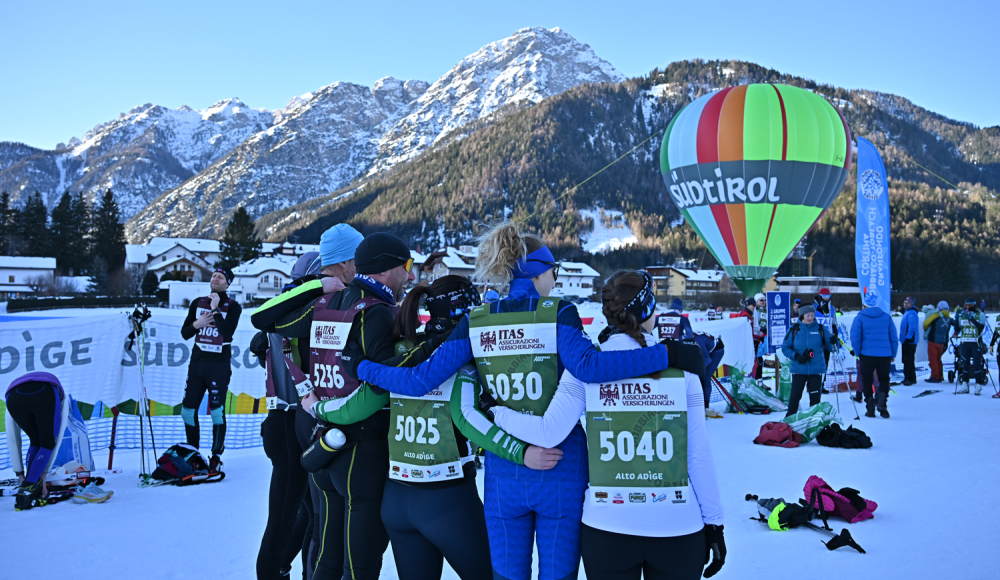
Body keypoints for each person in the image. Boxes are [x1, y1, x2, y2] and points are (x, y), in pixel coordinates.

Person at [342, 221, 674, 580]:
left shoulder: (477, 319)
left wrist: (363, 367)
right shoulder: (559, 312)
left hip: (504, 469)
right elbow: (590, 367)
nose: (556, 280)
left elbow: (418, 379)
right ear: (535, 273)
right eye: (554, 271)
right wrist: (667, 356)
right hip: (561, 466)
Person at [302, 275, 562, 580]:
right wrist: (521, 452)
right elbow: (465, 417)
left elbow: (357, 406)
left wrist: (316, 407)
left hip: (397, 500)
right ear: (466, 308)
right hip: (447, 501)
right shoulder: (463, 354)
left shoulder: (401, 351)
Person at [480, 270, 726, 580]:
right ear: (648, 310)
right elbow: (698, 454)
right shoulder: (683, 370)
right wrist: (714, 524)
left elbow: (548, 432)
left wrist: (496, 411)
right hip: (677, 525)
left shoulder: (585, 368)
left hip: (608, 528)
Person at [251, 230, 412, 580]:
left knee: (325, 548)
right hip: (353, 439)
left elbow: (263, 321)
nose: (411, 275)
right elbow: (385, 384)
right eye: (407, 266)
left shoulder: (321, 305)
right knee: (358, 561)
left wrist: (313, 290)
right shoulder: (372, 310)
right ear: (349, 263)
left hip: (317, 434)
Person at [253, 247, 343, 580]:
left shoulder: (283, 308)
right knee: (284, 519)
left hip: (288, 419)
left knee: (309, 514)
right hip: (291, 419)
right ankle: (276, 572)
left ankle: (293, 570)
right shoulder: (308, 311)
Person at [179, 267, 242, 472]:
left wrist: (215, 310)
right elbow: (185, 333)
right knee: (187, 411)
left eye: (220, 277)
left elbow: (228, 334)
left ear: (227, 283)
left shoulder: (233, 306)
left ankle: (216, 455)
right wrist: (197, 324)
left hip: (218, 367)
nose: (215, 278)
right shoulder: (198, 303)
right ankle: (193, 453)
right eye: (214, 275)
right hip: (197, 364)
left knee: (216, 412)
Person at [5, 372, 71, 511]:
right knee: (47, 443)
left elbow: (12, 436)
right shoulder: (62, 397)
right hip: (45, 391)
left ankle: (28, 483)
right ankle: (28, 489)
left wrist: (20, 475)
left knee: (35, 440)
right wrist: (44, 476)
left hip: (13, 396)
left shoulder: (12, 393)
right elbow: (55, 441)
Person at [781, 305, 836, 416]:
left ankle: (814, 422)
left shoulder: (820, 328)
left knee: (815, 399)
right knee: (795, 397)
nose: (810, 318)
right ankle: (789, 421)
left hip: (816, 369)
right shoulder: (794, 329)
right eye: (808, 315)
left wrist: (835, 342)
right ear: (802, 315)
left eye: (812, 315)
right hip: (798, 369)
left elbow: (832, 348)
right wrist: (796, 356)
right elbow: (785, 347)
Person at [850, 291, 899, 418]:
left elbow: (855, 338)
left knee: (867, 380)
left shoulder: (859, 318)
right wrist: (893, 353)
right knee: (884, 379)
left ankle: (870, 407)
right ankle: (882, 402)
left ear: (864, 305)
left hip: (867, 354)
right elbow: (893, 337)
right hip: (884, 355)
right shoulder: (886, 317)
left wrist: (858, 353)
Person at [956, 298, 988, 394]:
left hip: (976, 343)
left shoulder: (980, 315)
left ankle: (978, 385)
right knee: (965, 364)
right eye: (966, 305)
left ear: (974, 305)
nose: (967, 307)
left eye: (970, 305)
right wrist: (957, 317)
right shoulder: (963, 315)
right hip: (965, 343)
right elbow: (957, 329)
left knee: (977, 364)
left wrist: (972, 319)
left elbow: (980, 327)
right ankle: (965, 384)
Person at [923, 301, 955, 383]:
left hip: (933, 340)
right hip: (942, 341)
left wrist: (927, 331)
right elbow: (957, 324)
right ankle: (940, 376)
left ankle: (935, 376)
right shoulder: (949, 318)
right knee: (938, 359)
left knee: (933, 359)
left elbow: (925, 324)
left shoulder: (935, 316)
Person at [813, 288, 840, 370]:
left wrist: (835, 335)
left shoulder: (832, 308)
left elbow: (834, 324)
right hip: (815, 341)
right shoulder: (813, 308)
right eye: (825, 295)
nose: (827, 297)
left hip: (827, 340)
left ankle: (823, 381)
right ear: (820, 296)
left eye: (828, 295)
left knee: (824, 365)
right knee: (815, 364)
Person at [899, 297, 919, 386]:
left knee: (909, 360)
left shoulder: (912, 313)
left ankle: (910, 379)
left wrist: (908, 337)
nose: (905, 304)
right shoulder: (907, 312)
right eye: (905, 302)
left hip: (909, 341)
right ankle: (908, 377)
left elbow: (912, 327)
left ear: (912, 304)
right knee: (906, 360)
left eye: (908, 303)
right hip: (906, 340)